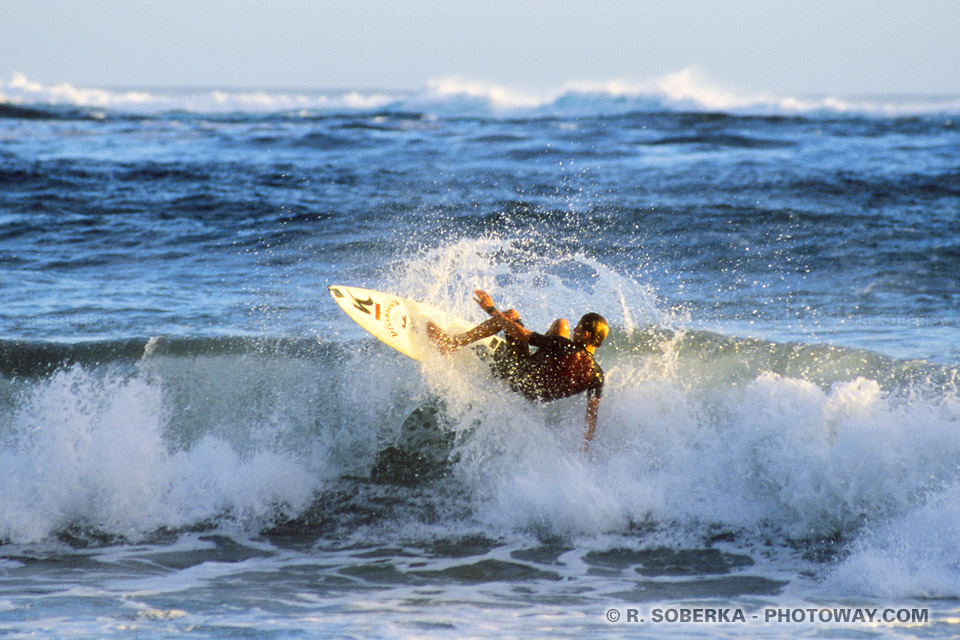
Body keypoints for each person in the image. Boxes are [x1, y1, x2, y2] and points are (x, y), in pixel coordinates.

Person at [427, 289, 608, 451]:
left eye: (578, 328)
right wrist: (583, 448)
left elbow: (519, 332)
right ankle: (516, 355)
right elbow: (591, 418)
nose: (574, 330)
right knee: (562, 325)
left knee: (511, 315)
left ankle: (452, 344)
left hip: (517, 375)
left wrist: (490, 309)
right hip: (533, 396)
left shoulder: (564, 346)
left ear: (585, 335)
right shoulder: (597, 375)